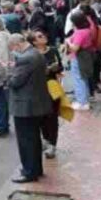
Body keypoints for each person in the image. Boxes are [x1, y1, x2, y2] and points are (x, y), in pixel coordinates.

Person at [8, 34, 52, 183]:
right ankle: (36, 168)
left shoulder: (24, 59)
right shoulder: (36, 54)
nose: (13, 51)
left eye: (12, 48)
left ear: (16, 44)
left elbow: (15, 81)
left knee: (26, 140)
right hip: (36, 102)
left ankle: (29, 172)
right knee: (34, 139)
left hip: (25, 106)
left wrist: (9, 71)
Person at [28, 30, 63, 159]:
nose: (44, 37)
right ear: (34, 42)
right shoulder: (32, 54)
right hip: (38, 89)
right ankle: (46, 140)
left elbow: (61, 67)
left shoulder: (53, 50)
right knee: (41, 116)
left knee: (52, 117)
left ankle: (52, 144)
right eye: (39, 36)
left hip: (52, 87)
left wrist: (56, 68)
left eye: (43, 35)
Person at [65, 11, 94, 111]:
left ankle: (82, 102)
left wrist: (68, 41)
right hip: (86, 56)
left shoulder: (79, 33)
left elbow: (74, 48)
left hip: (78, 57)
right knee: (83, 78)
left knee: (78, 79)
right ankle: (85, 100)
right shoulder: (87, 30)